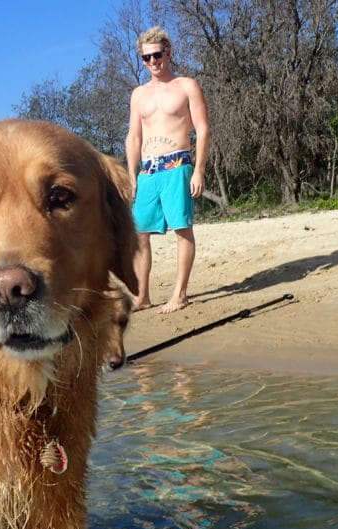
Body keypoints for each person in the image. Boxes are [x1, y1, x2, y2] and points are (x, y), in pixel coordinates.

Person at [125, 27, 210, 314]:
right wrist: (131, 174)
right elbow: (134, 137)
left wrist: (199, 170)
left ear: (168, 52)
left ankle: (180, 294)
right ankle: (142, 296)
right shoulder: (138, 95)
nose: (152, 62)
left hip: (177, 164)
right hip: (148, 170)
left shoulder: (187, 85)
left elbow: (203, 128)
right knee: (139, 234)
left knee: (182, 228)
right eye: (146, 58)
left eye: (157, 55)